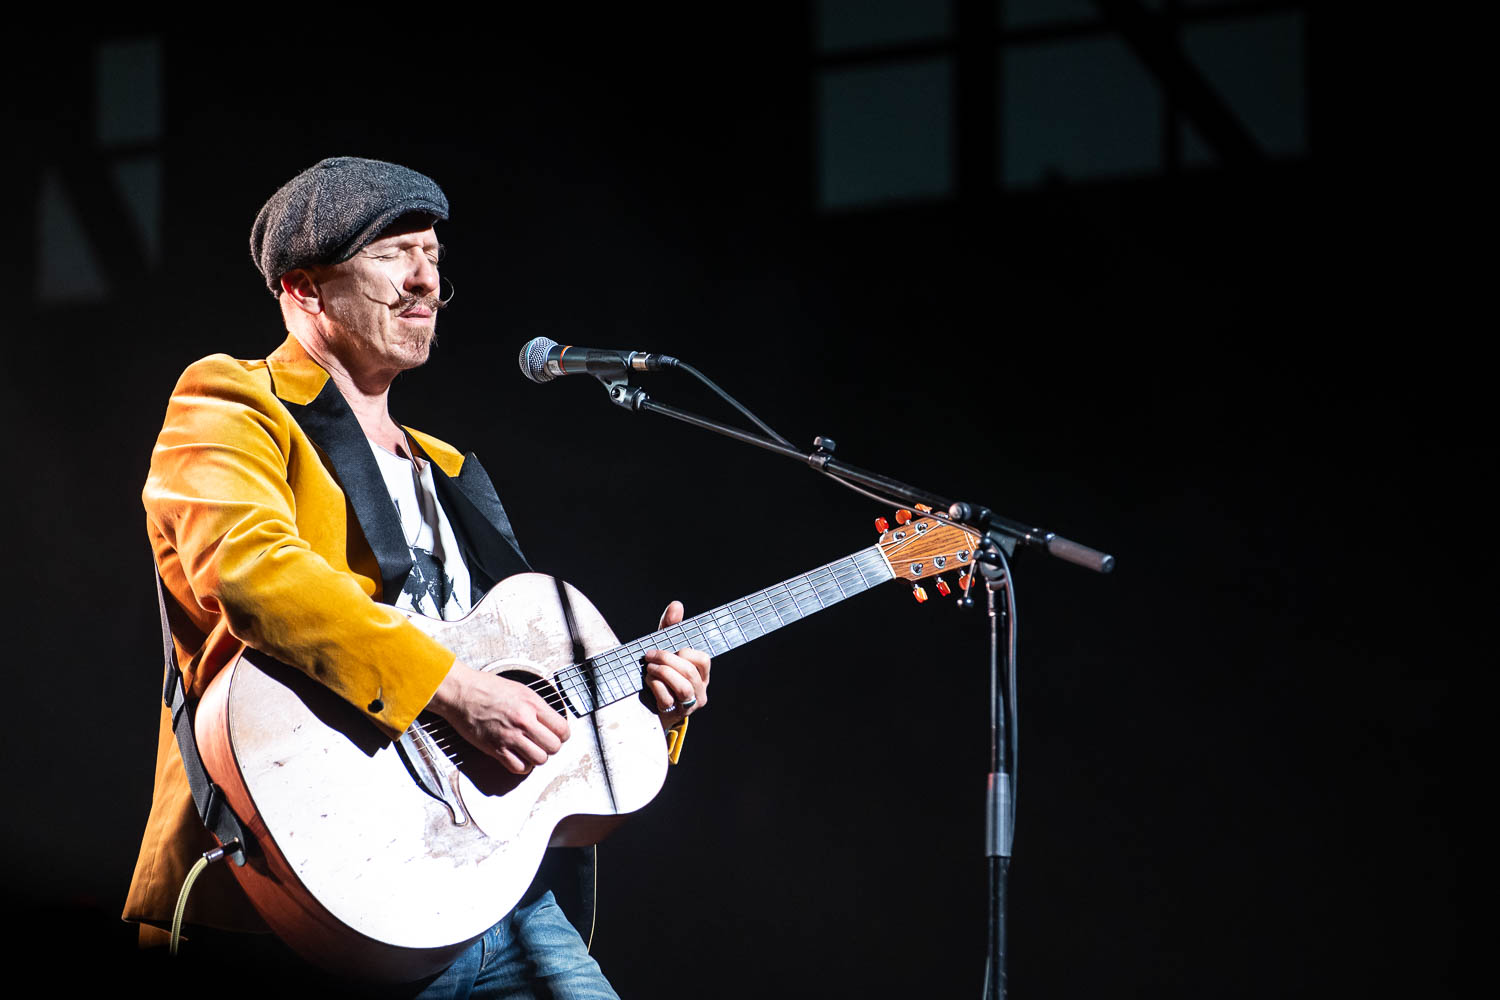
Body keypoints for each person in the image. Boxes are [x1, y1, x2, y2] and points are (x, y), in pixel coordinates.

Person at [122, 156, 712, 996]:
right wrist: (452, 689)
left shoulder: (449, 470)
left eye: (432, 256)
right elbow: (251, 573)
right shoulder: (231, 400)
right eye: (392, 254)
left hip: (489, 889)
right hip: (310, 885)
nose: (424, 279)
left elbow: (515, 689)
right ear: (304, 289)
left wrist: (646, 703)